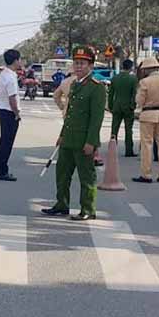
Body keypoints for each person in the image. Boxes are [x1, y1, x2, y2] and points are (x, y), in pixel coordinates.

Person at [42, 46, 106, 221]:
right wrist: (62, 135)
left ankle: (88, 209)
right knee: (62, 174)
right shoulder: (75, 84)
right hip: (69, 139)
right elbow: (69, 114)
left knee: (87, 177)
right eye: (76, 63)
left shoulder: (96, 88)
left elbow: (96, 118)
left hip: (84, 140)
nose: (78, 66)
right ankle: (61, 204)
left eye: (82, 63)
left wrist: (91, 142)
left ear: (90, 65)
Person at [133, 56, 159, 183]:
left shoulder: (144, 82)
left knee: (146, 145)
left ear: (147, 69)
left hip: (148, 114)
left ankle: (146, 174)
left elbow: (139, 101)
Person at [54, 69, 103, 166]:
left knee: (71, 135)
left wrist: (62, 106)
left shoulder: (65, 82)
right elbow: (95, 119)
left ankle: (74, 158)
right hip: (83, 116)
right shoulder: (80, 83)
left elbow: (56, 95)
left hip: (68, 114)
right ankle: (95, 156)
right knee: (89, 134)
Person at [0, 48, 22, 182]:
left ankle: (1, 169)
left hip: (3, 111)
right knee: (7, 143)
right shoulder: (10, 77)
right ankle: (2, 171)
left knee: (4, 142)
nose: (20, 62)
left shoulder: (4, 74)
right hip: (9, 113)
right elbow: (12, 99)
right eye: (19, 59)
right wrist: (17, 113)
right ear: (16, 61)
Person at [108, 59, 138, 157]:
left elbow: (111, 94)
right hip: (128, 107)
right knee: (128, 129)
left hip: (117, 106)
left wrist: (110, 106)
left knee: (114, 129)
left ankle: (112, 150)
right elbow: (134, 94)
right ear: (131, 67)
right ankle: (129, 150)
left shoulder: (115, 78)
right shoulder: (133, 79)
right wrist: (132, 105)